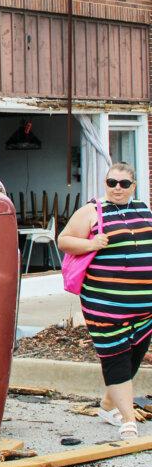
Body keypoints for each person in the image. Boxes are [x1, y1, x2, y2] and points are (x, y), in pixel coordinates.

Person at [58, 162, 152, 440]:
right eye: (112, 183)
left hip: (144, 307)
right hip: (105, 302)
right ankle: (127, 419)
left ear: (133, 186)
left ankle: (109, 405)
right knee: (115, 356)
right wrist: (91, 244)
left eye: (123, 184)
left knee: (134, 354)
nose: (117, 189)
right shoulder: (92, 211)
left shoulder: (144, 210)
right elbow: (64, 240)